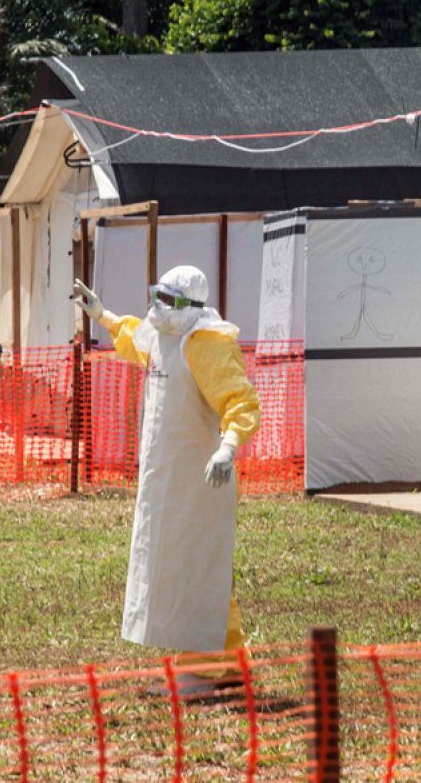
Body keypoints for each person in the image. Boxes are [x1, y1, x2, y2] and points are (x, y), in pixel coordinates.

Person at [71, 266, 260, 696]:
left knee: (195, 566)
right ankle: (229, 665)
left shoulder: (206, 344)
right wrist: (102, 314)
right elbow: (133, 337)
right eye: (158, 295)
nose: (159, 308)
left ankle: (199, 673)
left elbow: (240, 399)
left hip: (200, 481)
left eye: (169, 301)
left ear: (191, 307)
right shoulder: (163, 334)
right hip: (165, 480)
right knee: (186, 567)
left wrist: (228, 447)